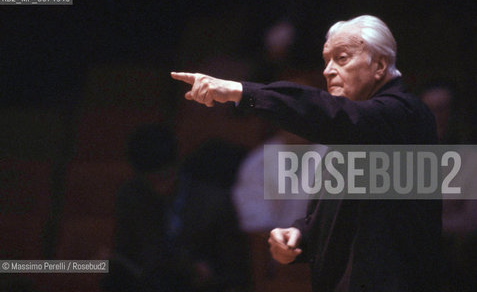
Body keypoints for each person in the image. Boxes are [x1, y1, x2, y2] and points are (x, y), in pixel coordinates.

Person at [171, 15, 442, 291]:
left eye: (342, 58)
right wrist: (300, 235)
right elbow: (346, 215)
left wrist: (239, 91)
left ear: (380, 65)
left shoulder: (405, 114)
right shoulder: (353, 127)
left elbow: (330, 114)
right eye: (327, 60)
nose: (328, 71)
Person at [103, 124, 250, 292]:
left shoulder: (213, 202)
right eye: (151, 182)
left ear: (176, 167)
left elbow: (236, 271)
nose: (160, 188)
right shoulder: (132, 197)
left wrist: (209, 275)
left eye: (165, 178)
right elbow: (127, 253)